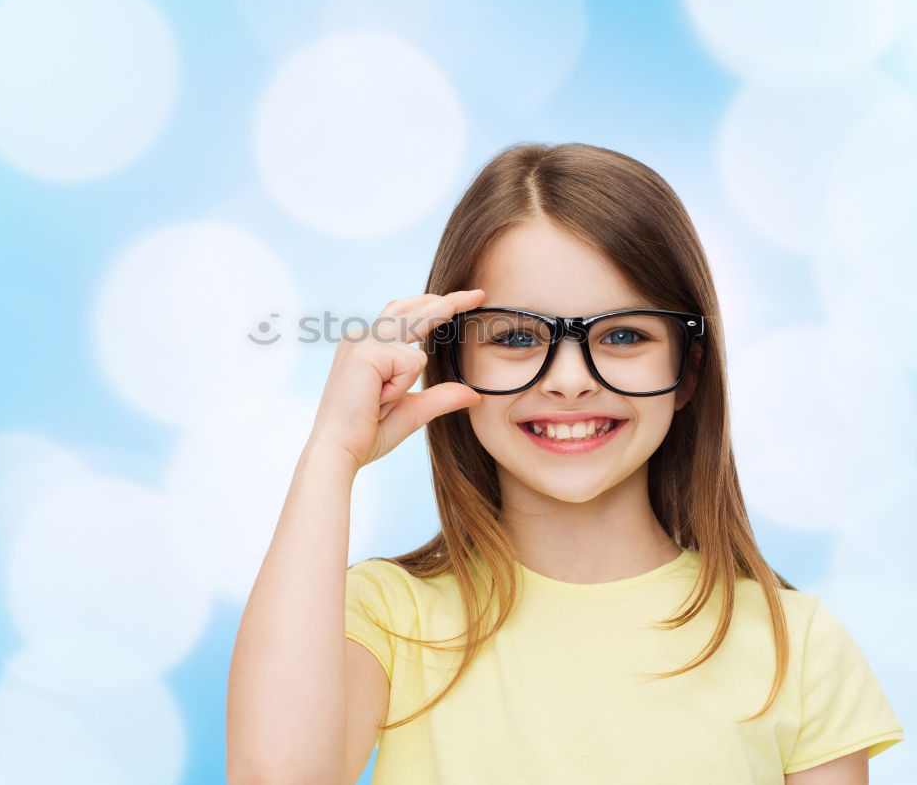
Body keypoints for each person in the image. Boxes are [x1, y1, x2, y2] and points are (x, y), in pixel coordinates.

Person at [226, 143, 905, 785]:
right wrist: (330, 456)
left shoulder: (797, 644)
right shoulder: (385, 616)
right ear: (451, 360)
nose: (571, 380)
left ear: (687, 371)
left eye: (623, 335)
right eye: (519, 337)